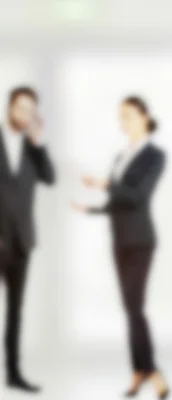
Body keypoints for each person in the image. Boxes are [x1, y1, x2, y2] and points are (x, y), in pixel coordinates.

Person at [72, 96, 169, 399]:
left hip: (140, 240)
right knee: (129, 309)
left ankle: (151, 371)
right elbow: (117, 202)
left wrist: (104, 184)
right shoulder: (119, 157)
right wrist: (91, 210)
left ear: (143, 116)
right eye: (121, 117)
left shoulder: (155, 155)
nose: (123, 122)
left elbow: (138, 196)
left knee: (136, 308)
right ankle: (139, 370)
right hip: (120, 239)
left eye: (128, 115)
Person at [0, 86, 55, 393]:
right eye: (21, 109)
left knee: (14, 312)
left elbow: (49, 177)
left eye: (30, 110)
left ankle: (13, 373)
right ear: (10, 108)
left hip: (21, 242)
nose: (25, 115)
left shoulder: (33, 148)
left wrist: (38, 142)